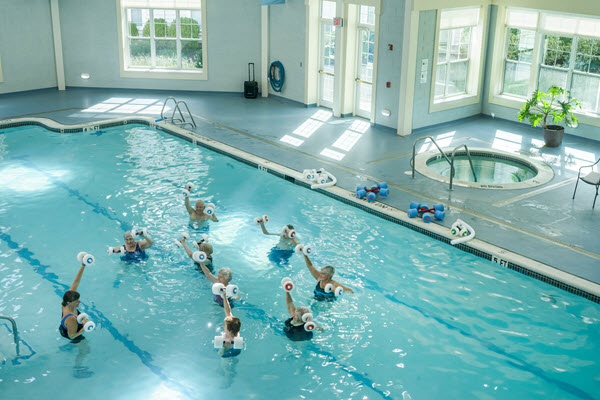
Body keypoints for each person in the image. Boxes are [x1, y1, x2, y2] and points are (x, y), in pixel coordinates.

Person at [59, 261, 93, 378]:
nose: (79, 302)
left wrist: (83, 265)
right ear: (69, 302)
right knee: (85, 351)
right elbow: (72, 335)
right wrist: (84, 327)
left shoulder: (66, 301)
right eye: (76, 302)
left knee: (75, 340)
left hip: (65, 328)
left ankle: (69, 346)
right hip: (70, 332)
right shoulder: (71, 319)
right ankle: (77, 369)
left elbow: (76, 282)